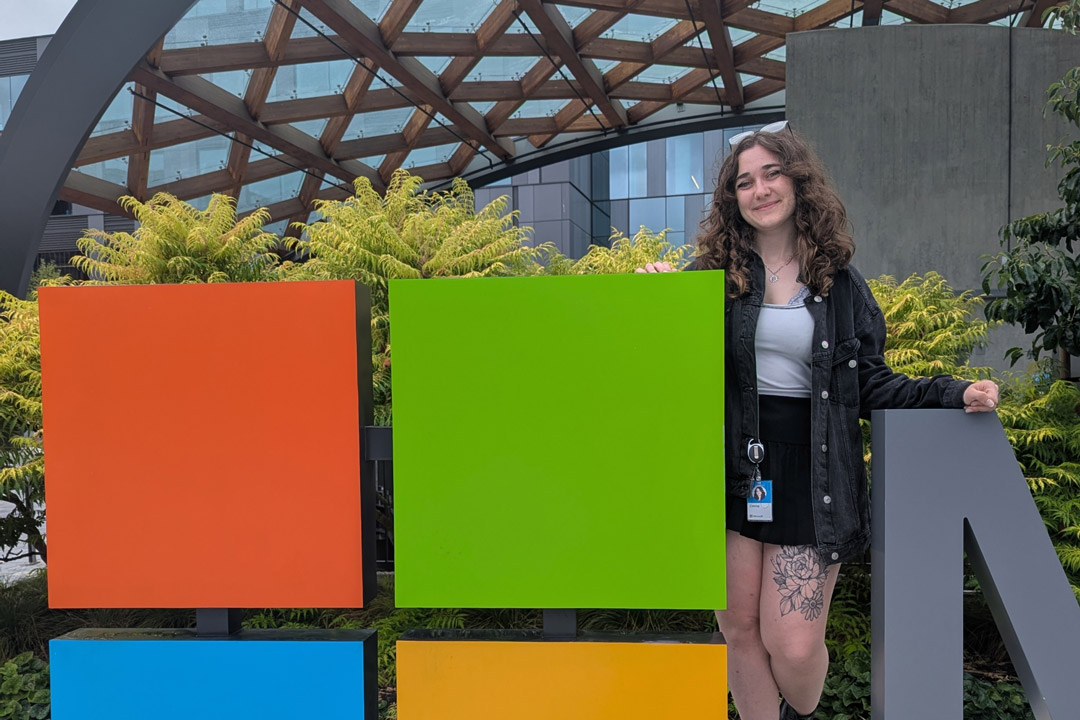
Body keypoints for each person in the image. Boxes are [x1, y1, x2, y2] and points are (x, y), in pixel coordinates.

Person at [637, 122, 998, 720]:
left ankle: (799, 714)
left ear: (798, 182)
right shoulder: (712, 278)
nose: (760, 190)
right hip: (734, 466)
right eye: (745, 182)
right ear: (733, 200)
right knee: (741, 630)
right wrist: (655, 302)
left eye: (772, 174)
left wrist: (950, 391)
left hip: (815, 469)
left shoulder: (838, 283)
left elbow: (870, 381)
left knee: (794, 644)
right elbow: (675, 367)